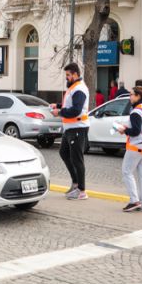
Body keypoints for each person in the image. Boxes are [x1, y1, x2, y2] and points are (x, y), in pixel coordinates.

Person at [50, 63, 89, 201]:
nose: (66, 78)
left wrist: (59, 112)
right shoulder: (73, 88)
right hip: (70, 128)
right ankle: (76, 183)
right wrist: (59, 106)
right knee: (64, 153)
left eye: (68, 75)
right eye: (66, 75)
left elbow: (76, 110)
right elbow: (70, 105)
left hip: (78, 127)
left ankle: (81, 190)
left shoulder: (79, 88)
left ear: (75, 74)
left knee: (77, 159)